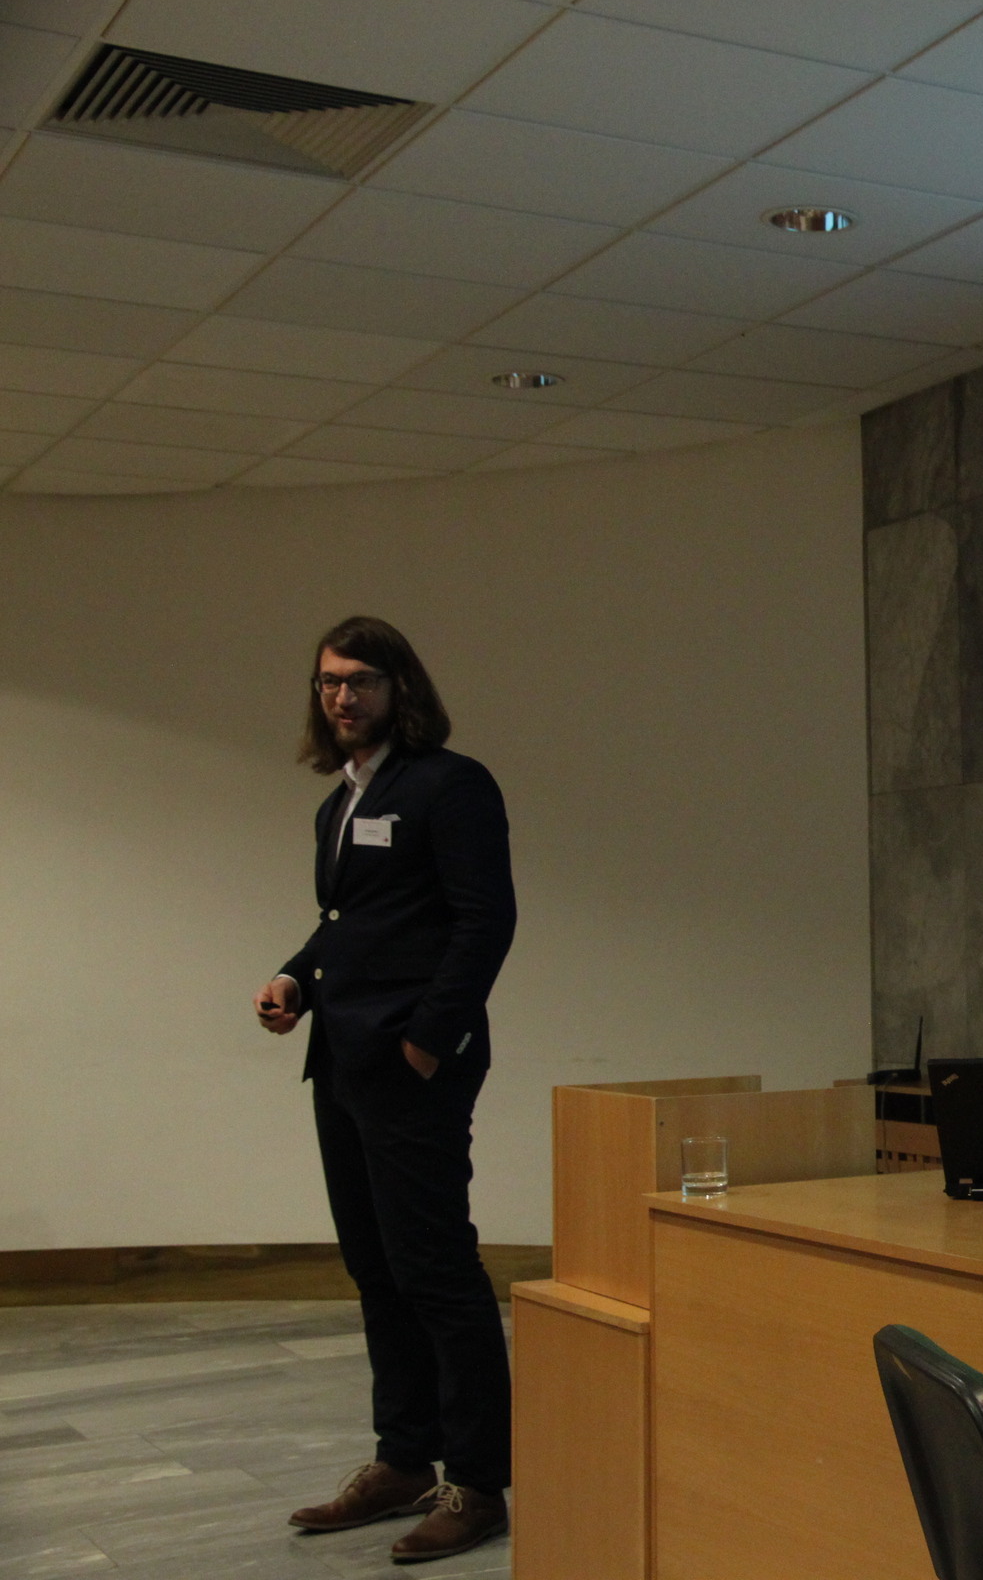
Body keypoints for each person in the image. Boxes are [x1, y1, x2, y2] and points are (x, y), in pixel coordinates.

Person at [252, 616, 517, 1564]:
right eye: (328, 681)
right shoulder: (341, 801)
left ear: (399, 688)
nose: (341, 696)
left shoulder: (450, 784)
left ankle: (475, 1483)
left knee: (436, 1269)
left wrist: (425, 1044)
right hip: (342, 1062)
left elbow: (485, 921)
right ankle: (404, 1457)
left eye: (360, 680)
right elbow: (349, 923)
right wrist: (295, 976)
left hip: (411, 1068)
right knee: (375, 1267)